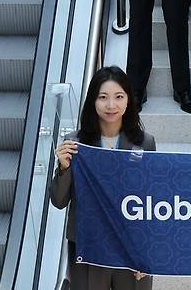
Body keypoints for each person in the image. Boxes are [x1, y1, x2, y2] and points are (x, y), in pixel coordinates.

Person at [50, 66, 156, 289]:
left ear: (128, 100)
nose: (111, 105)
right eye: (103, 97)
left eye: (118, 97)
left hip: (130, 246)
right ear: (93, 101)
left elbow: (151, 202)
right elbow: (59, 202)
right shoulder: (75, 143)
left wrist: (147, 251)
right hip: (88, 246)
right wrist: (63, 168)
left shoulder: (145, 143)